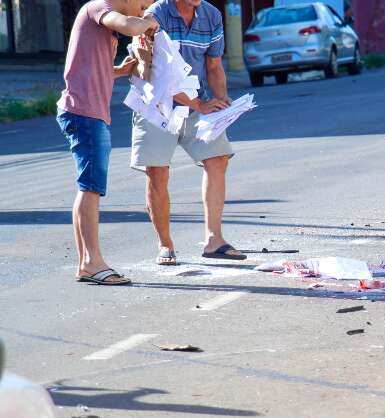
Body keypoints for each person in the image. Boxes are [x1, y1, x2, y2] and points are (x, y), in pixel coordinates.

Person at [131, 0, 246, 266]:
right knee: (157, 172)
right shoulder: (157, 13)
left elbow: (214, 66)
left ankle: (214, 240)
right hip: (156, 104)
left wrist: (222, 105)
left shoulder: (211, 15)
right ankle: (165, 245)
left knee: (217, 159)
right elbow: (159, 70)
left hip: (197, 103)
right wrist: (199, 105)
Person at [56, 0, 159, 285]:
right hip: (84, 112)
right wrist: (149, 22)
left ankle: (86, 263)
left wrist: (121, 70)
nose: (143, 10)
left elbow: (91, 67)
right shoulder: (98, 8)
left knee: (88, 187)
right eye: (143, 4)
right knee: (90, 188)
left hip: (87, 112)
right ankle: (92, 263)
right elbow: (129, 26)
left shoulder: (103, 24)